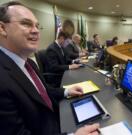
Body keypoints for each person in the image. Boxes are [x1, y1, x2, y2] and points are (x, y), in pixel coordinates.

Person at [0, 1, 100, 135]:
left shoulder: (29, 63)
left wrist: (66, 91)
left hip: (56, 119)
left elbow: (44, 93)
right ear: (2, 28)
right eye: (26, 23)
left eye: (37, 26)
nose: (35, 30)